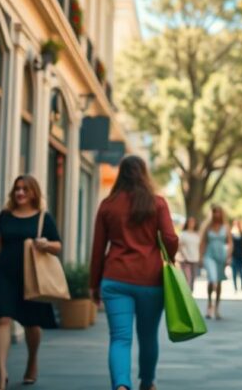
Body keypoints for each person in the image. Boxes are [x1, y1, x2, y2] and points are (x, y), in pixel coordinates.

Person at [89, 156, 179, 390]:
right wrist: (171, 257)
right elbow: (170, 238)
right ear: (143, 174)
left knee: (120, 338)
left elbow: (98, 249)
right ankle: (147, 383)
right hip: (151, 281)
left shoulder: (108, 205)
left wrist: (93, 284)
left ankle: (121, 385)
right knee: (148, 337)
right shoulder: (157, 203)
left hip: (115, 279)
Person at [0, 176, 61, 390]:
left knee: (32, 324)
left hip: (32, 277)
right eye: (17, 189)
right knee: (2, 319)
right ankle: (2, 373)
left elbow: (58, 246)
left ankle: (32, 360)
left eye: (25, 189)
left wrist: (45, 244)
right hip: (4, 274)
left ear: (34, 192)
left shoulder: (44, 218)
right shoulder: (5, 217)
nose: (20, 193)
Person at [199, 204, 232, 319]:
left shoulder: (226, 226)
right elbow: (203, 242)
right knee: (212, 279)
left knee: (219, 282)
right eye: (214, 212)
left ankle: (216, 308)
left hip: (221, 256)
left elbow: (230, 242)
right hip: (209, 255)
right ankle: (209, 305)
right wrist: (200, 257)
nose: (216, 214)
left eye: (218, 212)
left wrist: (228, 256)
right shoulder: (207, 227)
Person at [177, 216, 201, 287]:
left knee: (193, 279)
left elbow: (199, 247)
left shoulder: (197, 234)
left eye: (193, 222)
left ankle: (190, 293)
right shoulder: (183, 234)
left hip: (195, 259)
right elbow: (179, 246)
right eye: (190, 222)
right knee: (188, 279)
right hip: (185, 260)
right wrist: (184, 255)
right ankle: (187, 294)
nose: (191, 223)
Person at [230, 219, 242, 292]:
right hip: (233, 255)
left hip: (241, 255)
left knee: (241, 271)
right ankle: (235, 287)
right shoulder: (231, 235)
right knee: (234, 272)